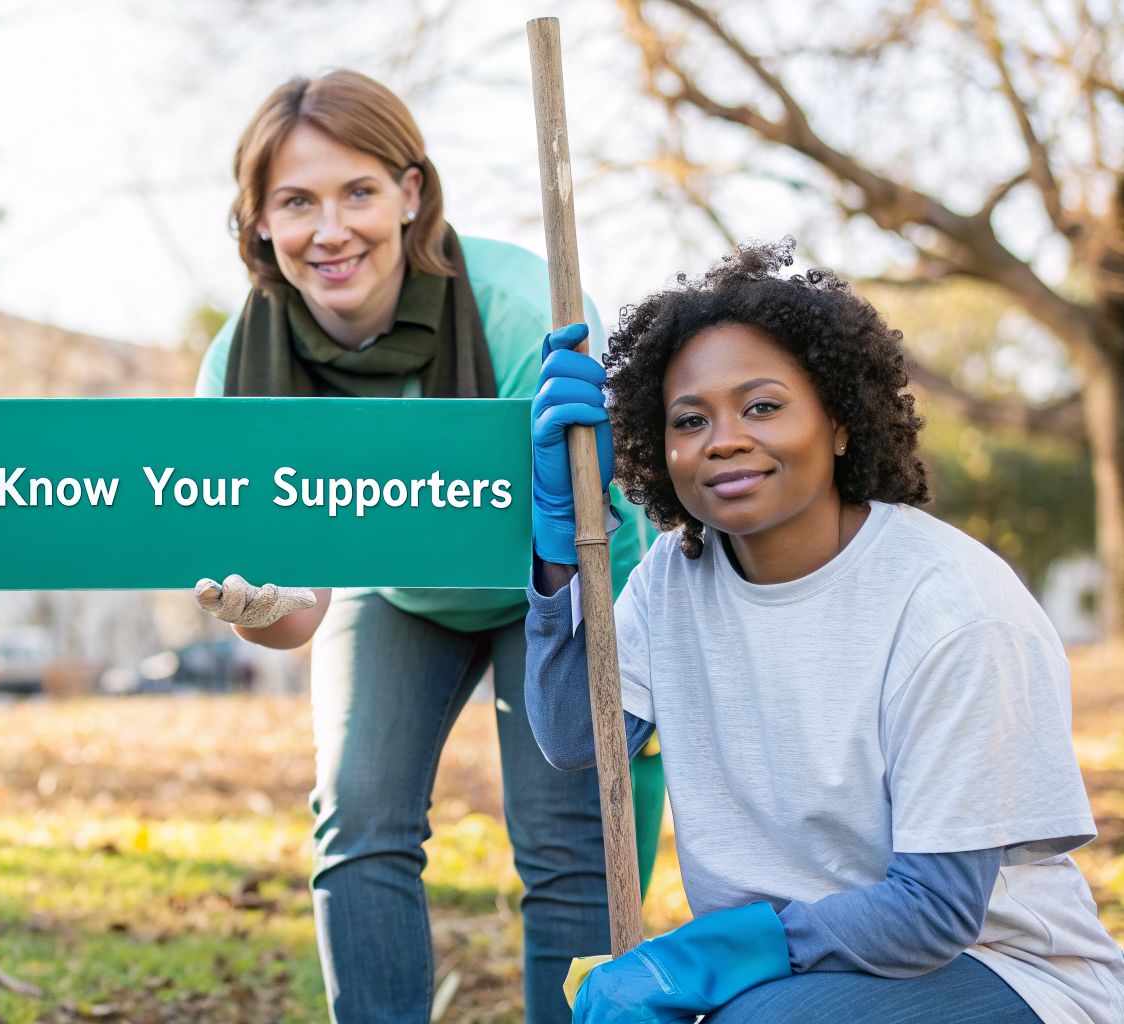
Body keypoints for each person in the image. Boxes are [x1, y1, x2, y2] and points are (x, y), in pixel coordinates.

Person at [525, 240, 1124, 1024]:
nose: (724, 439)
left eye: (763, 406)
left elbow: (935, 913)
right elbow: (577, 733)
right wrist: (560, 547)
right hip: (797, 964)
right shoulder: (677, 575)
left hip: (1002, 971)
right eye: (690, 419)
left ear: (840, 421)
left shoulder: (951, 607)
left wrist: (706, 955)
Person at [191, 69, 666, 1024]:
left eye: (358, 192)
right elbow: (302, 607)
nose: (331, 230)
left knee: (565, 840)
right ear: (258, 222)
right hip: (399, 596)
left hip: (560, 584)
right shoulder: (240, 371)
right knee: (357, 819)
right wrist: (259, 611)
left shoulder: (522, 311)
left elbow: (610, 523)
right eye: (297, 202)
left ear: (411, 194)